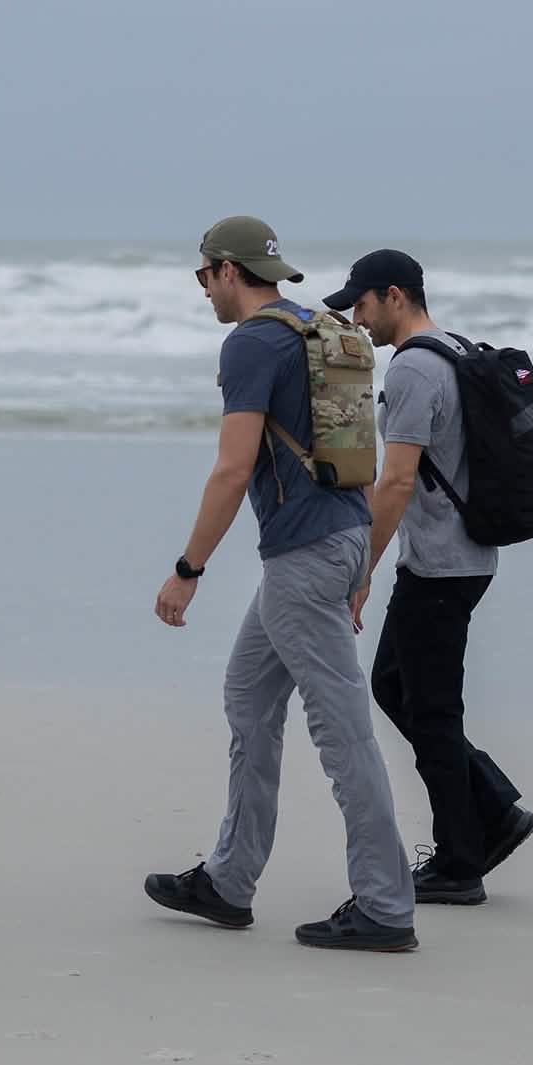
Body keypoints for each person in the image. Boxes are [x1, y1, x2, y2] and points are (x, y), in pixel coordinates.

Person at [145, 216, 417, 952]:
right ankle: (229, 882)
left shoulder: (252, 344)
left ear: (228, 271)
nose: (203, 291)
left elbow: (233, 468)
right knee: (249, 695)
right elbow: (357, 447)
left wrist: (187, 570)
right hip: (339, 540)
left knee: (342, 731)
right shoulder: (322, 328)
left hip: (304, 556)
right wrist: (359, 562)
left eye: (204, 276)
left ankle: (387, 906)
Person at [322, 249, 533, 906]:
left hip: (442, 564)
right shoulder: (454, 347)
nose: (356, 321)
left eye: (361, 305)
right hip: (462, 557)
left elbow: (396, 480)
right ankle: (492, 807)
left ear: (395, 296)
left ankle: (459, 862)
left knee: (434, 713)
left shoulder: (416, 367)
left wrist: (360, 571)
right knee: (395, 686)